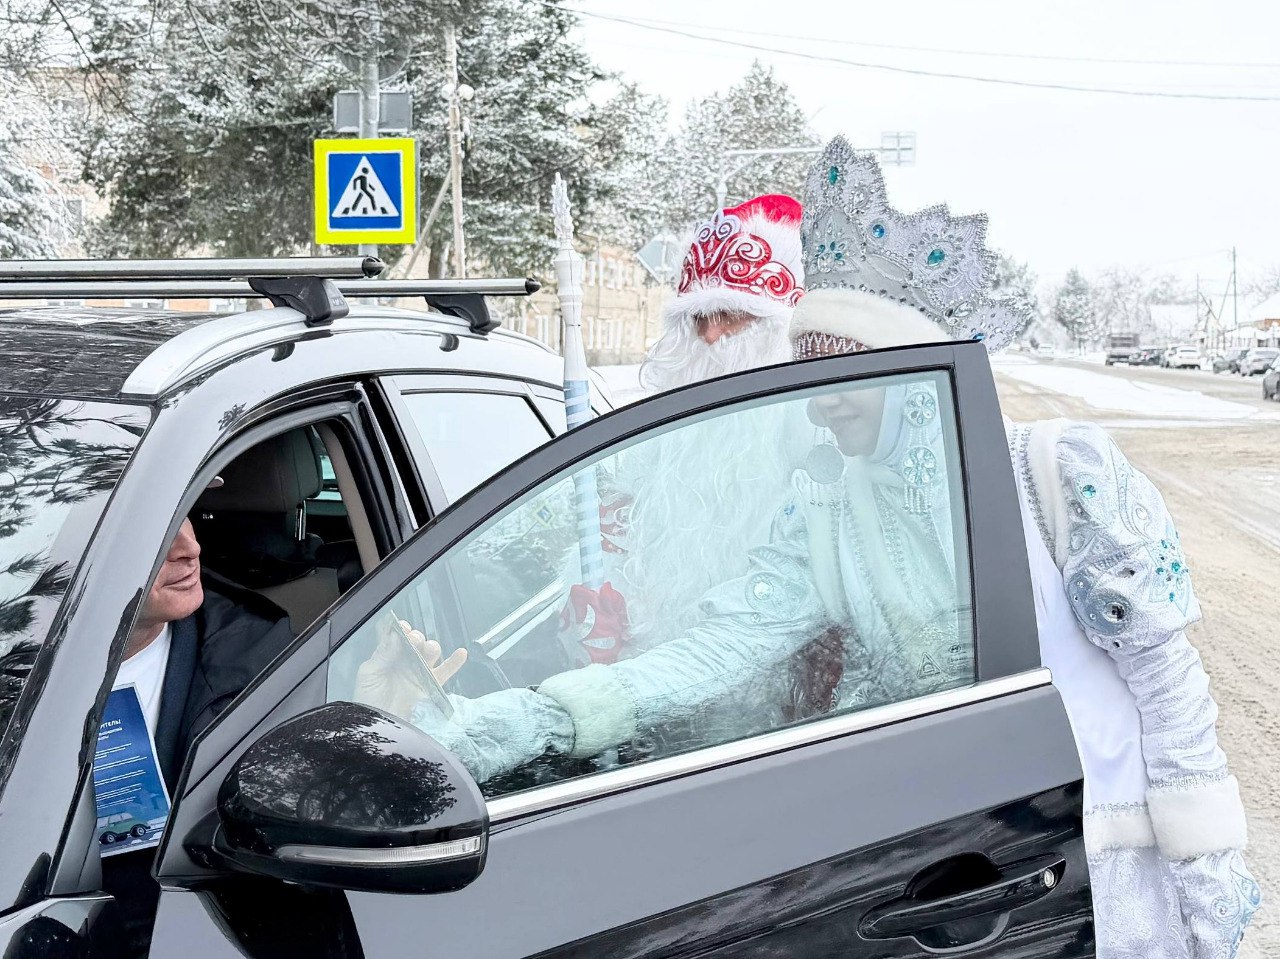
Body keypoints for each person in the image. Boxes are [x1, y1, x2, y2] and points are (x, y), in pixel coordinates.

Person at [602, 193, 808, 658]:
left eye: (732, 315)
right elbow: (617, 543)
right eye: (699, 318)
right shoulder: (655, 440)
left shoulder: (816, 435)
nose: (711, 335)